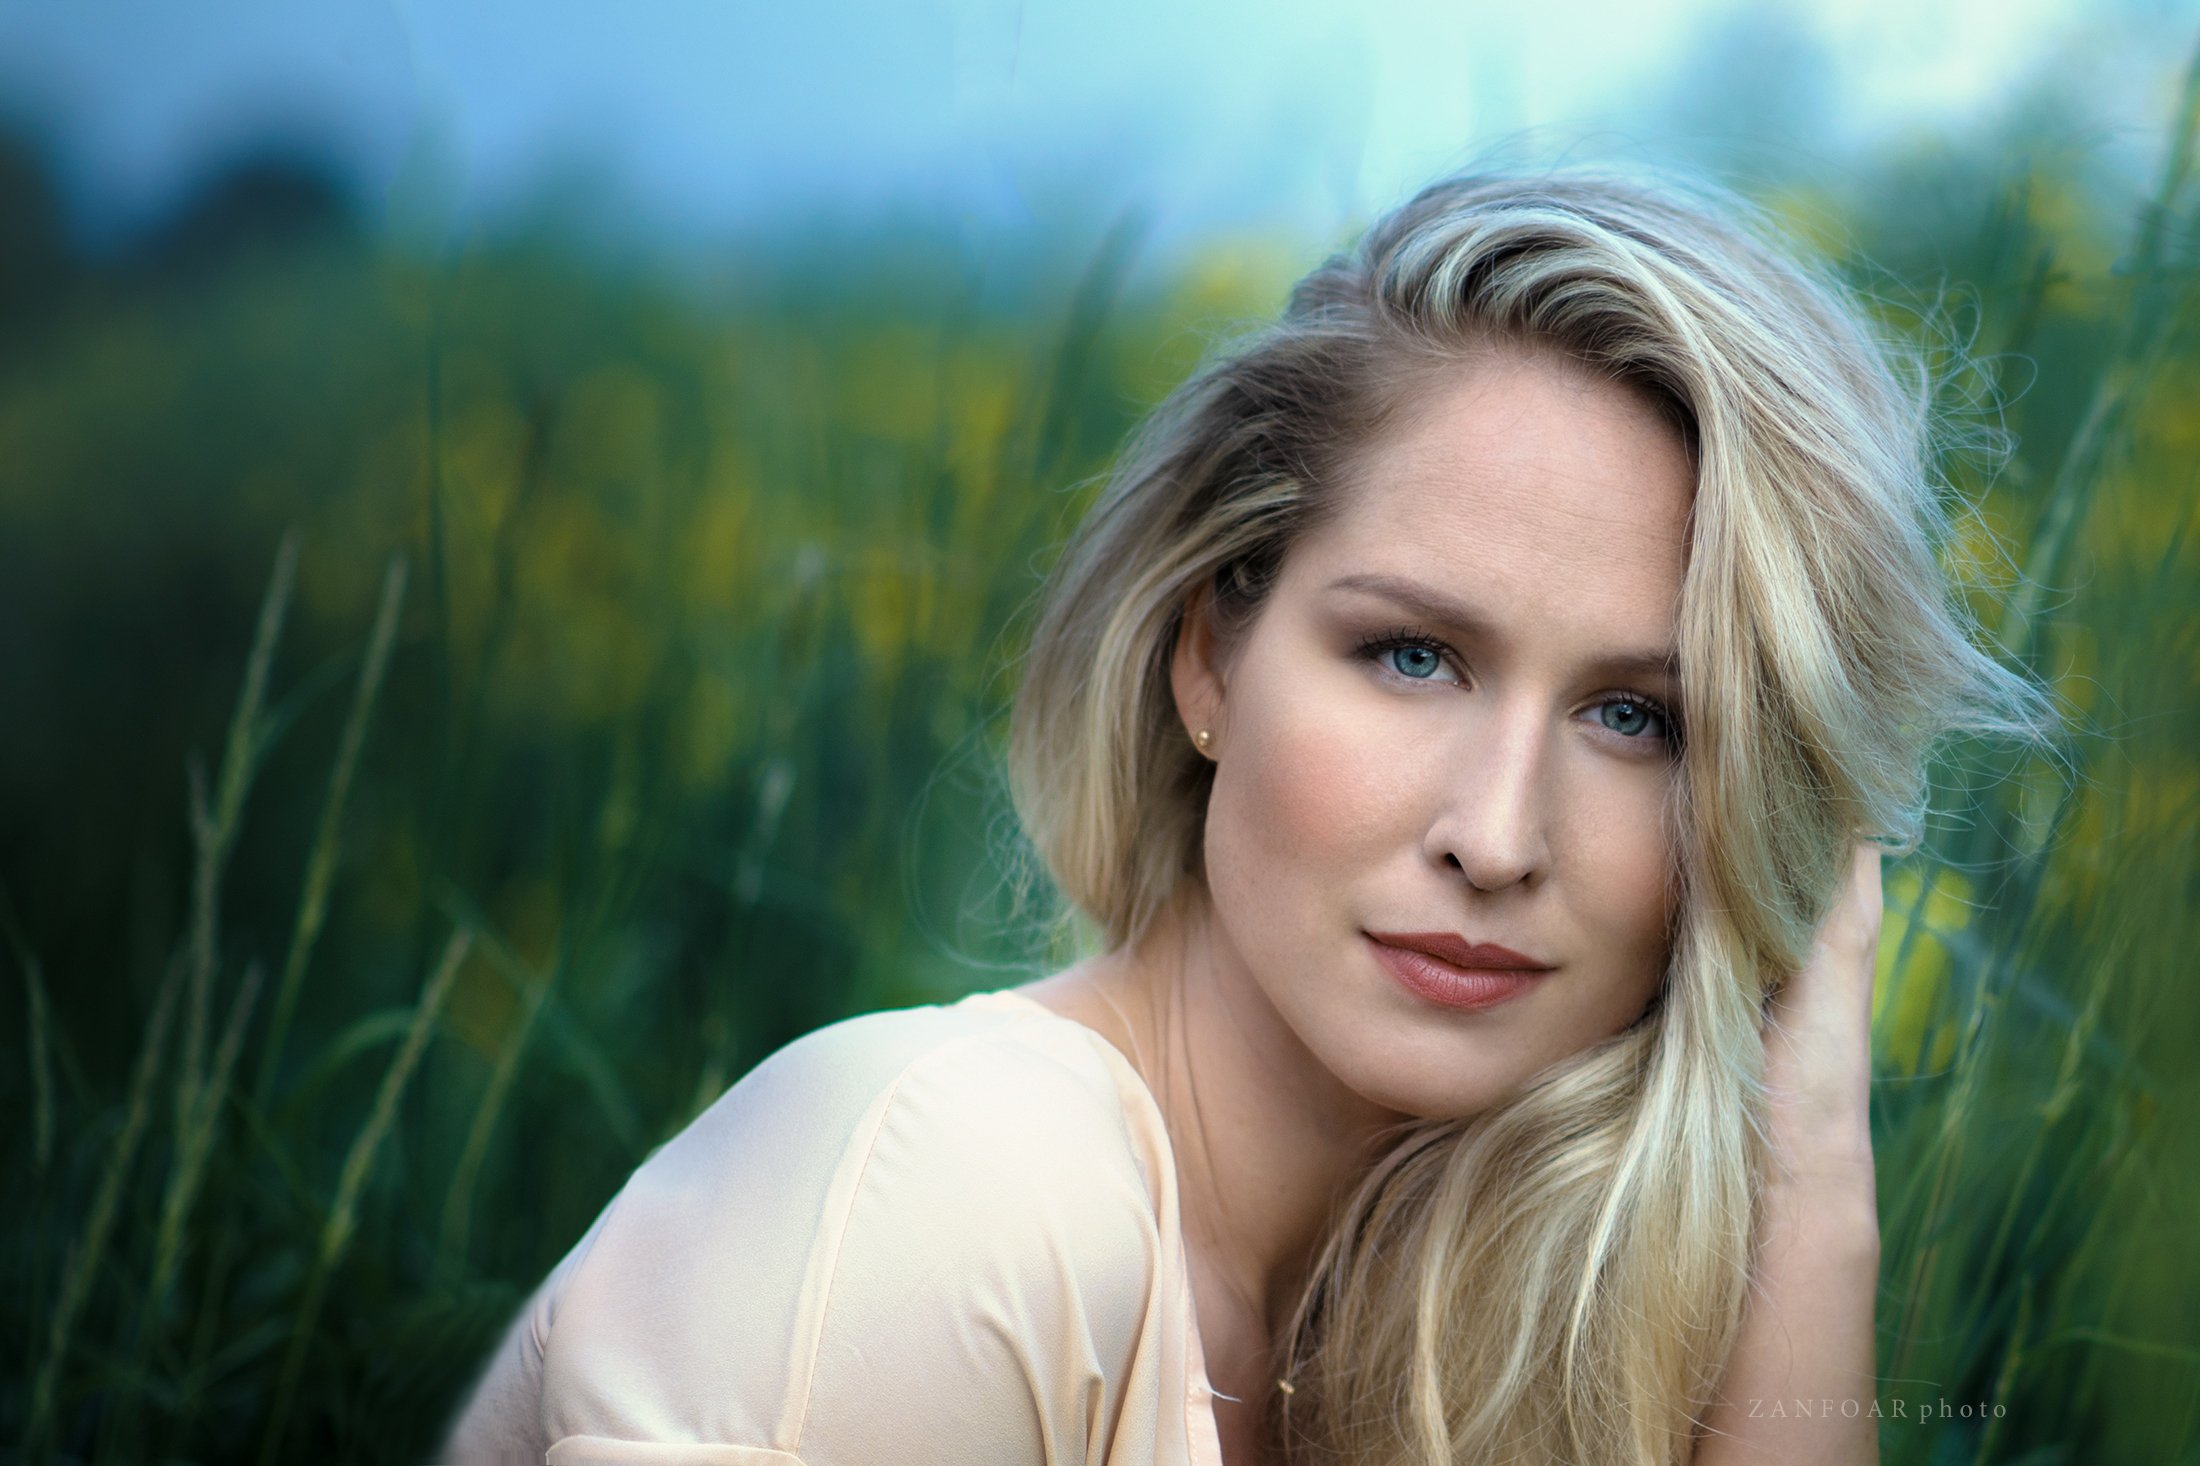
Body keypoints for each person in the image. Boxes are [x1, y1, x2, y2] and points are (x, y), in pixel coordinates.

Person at [440, 167, 2054, 1466]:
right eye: (1412, 655)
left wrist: (1810, 1165)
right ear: (1209, 650)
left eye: (1638, 718)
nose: (1498, 837)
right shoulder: (956, 1188)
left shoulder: (1461, 1334)